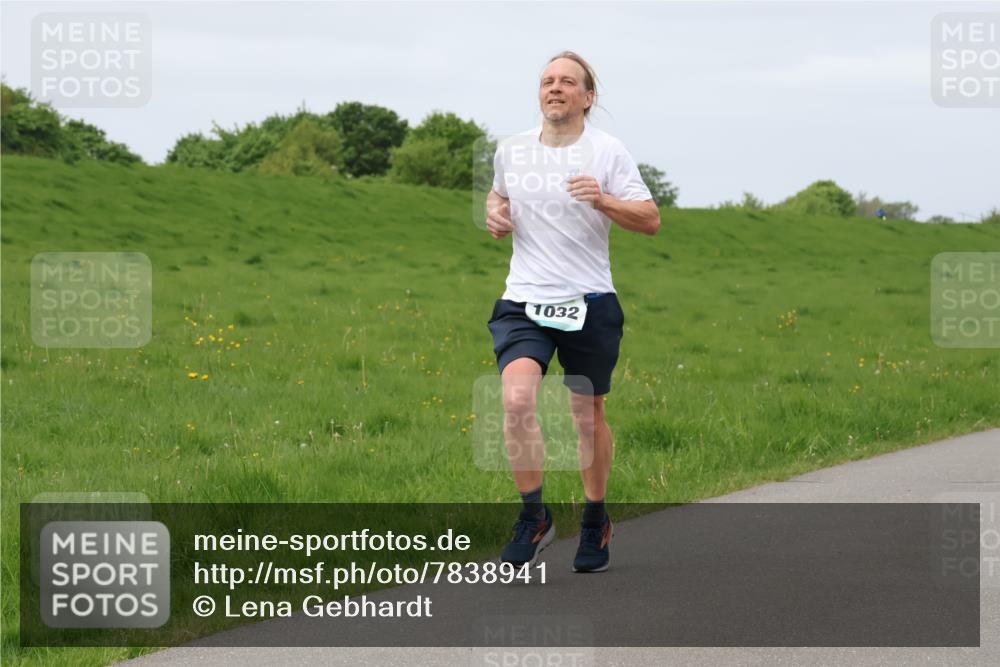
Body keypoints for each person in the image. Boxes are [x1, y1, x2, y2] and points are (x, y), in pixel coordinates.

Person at [484, 51, 660, 573]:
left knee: (587, 415)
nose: (554, 88)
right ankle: (534, 517)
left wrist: (604, 201)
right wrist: (496, 215)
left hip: (589, 302)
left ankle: (595, 519)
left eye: (567, 82)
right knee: (517, 400)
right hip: (524, 299)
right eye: (546, 81)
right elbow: (498, 200)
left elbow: (650, 219)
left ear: (588, 97)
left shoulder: (607, 151)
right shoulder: (511, 150)